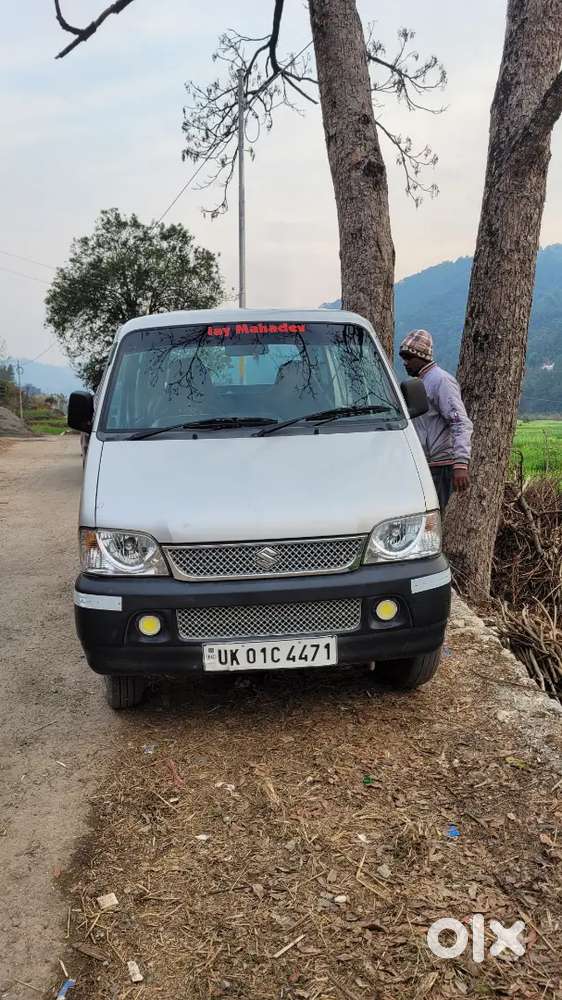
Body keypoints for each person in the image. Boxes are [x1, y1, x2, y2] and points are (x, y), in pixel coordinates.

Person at [399, 329, 473, 512]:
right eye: (403, 358)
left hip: (440, 466)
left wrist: (461, 464)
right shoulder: (422, 381)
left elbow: (460, 422)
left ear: (421, 357)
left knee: (433, 520)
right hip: (426, 464)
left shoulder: (441, 381)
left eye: (408, 357)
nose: (405, 363)